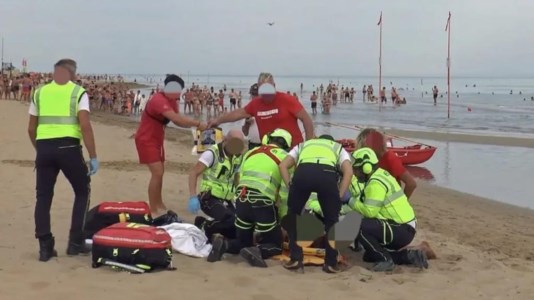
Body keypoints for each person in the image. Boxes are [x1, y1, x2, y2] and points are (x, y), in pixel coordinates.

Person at [27, 58, 98, 262]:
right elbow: (85, 126)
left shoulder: (39, 92)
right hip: (69, 148)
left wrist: (39, 148)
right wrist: (93, 156)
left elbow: (31, 128)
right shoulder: (78, 92)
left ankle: (45, 247)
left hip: (44, 148)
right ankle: (75, 242)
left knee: (43, 196)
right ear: (73, 74)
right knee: (83, 190)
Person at [207, 129, 292, 267]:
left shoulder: (251, 152)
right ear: (287, 145)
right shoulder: (286, 157)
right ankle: (257, 251)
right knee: (276, 245)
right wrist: (283, 219)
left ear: (269, 140)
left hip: (241, 198)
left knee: (243, 242)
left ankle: (225, 244)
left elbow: (238, 177)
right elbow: (284, 193)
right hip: (261, 201)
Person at [278, 135, 353, 273]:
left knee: (293, 216)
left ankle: (296, 259)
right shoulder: (337, 147)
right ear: (331, 140)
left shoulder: (304, 145)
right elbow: (348, 171)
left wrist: (290, 185)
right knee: (332, 221)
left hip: (303, 173)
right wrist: (340, 195)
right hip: (327, 174)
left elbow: (282, 165)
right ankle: (330, 264)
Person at [134, 74, 207, 215]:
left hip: (157, 139)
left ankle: (159, 202)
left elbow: (178, 121)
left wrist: (197, 127)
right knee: (157, 173)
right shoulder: (158, 99)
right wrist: (197, 123)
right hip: (146, 139)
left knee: (161, 172)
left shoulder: (172, 100)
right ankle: (153, 208)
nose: (179, 93)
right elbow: (175, 117)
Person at [350, 147, 428, 271]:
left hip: (401, 229)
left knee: (358, 225)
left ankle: (385, 260)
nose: (354, 173)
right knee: (369, 256)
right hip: (402, 227)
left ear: (366, 168)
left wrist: (350, 201)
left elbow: (370, 212)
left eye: (356, 169)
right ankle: (410, 256)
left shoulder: (375, 183)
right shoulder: (380, 174)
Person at [208, 72, 314, 147]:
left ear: (274, 86)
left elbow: (307, 120)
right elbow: (237, 114)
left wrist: (308, 145)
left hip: (292, 150)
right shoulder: (256, 104)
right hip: (269, 152)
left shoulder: (287, 100)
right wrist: (217, 121)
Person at [187, 129, 245, 242]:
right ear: (225, 140)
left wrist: (240, 195)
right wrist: (193, 197)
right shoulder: (212, 153)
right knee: (229, 219)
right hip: (209, 198)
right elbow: (194, 173)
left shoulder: (238, 157)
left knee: (237, 228)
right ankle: (206, 227)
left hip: (227, 199)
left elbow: (237, 177)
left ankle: (203, 222)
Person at [355, 128, 416, 198]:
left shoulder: (390, 158)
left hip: (389, 199)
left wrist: (403, 203)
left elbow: (411, 184)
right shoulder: (367, 158)